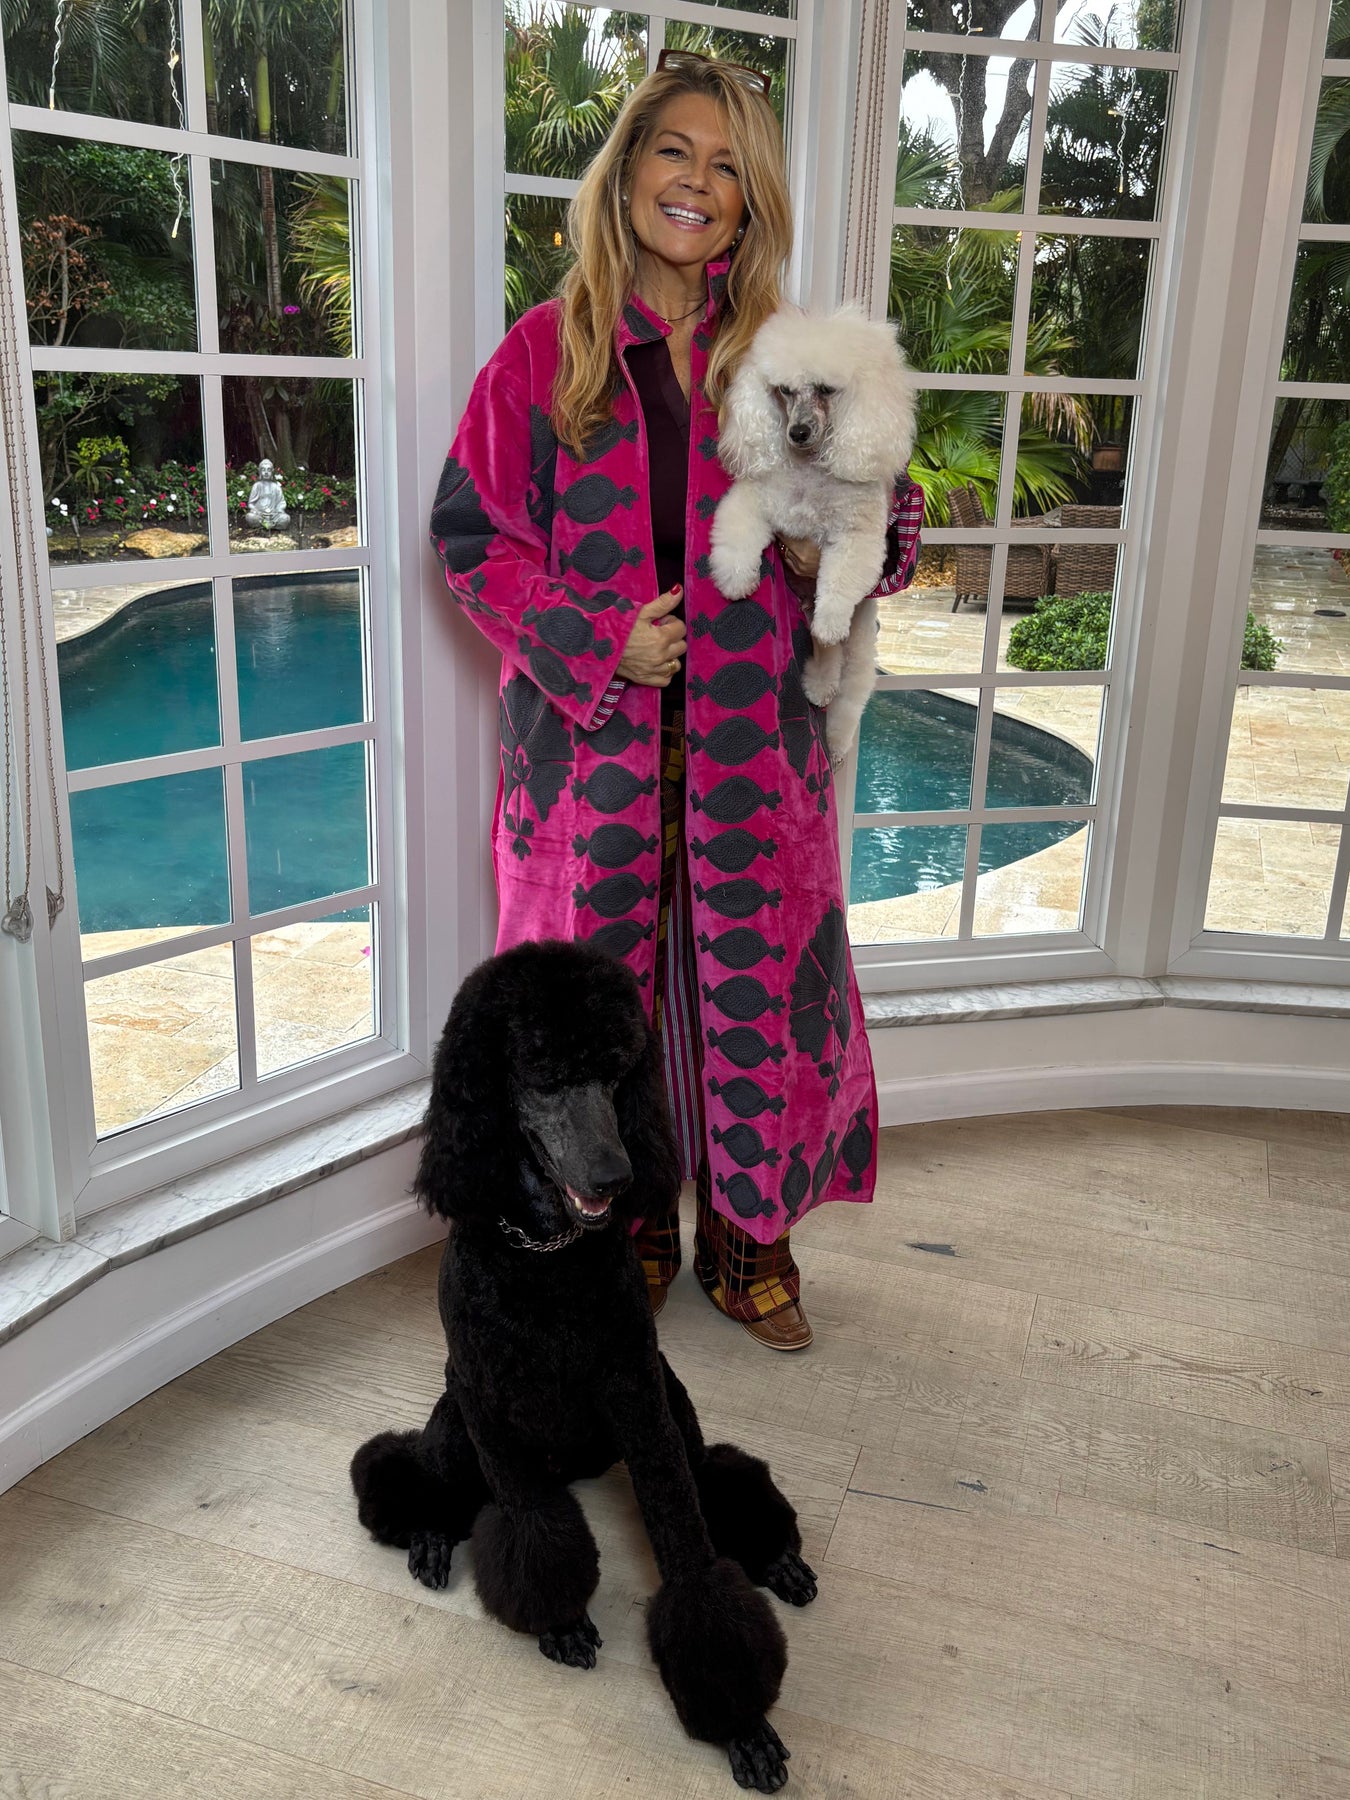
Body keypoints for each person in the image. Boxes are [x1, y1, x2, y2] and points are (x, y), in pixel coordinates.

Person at [430, 49, 923, 1350]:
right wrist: (601, 642)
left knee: (751, 990)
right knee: (602, 1003)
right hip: (590, 755)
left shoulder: (789, 355)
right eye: (673, 151)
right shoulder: (546, 354)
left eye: (727, 167)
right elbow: (471, 536)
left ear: (749, 203)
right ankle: (631, 1224)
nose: (696, 182)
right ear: (628, 170)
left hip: (754, 748)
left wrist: (828, 549)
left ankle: (751, 1237)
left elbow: (889, 511)